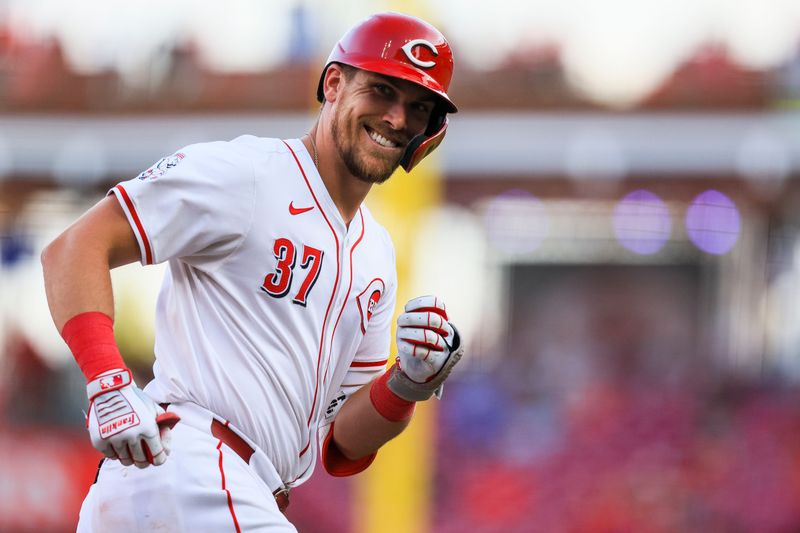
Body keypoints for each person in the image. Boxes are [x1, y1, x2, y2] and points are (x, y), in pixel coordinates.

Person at [41, 12, 464, 532]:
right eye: (381, 91)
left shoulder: (375, 252)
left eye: (418, 107)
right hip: (196, 467)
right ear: (334, 83)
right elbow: (74, 245)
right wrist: (108, 382)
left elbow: (341, 442)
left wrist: (409, 382)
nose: (398, 118)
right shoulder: (248, 174)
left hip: (210, 488)